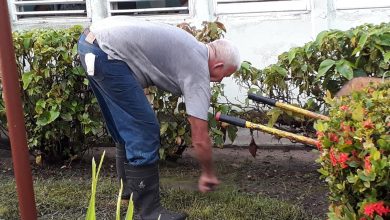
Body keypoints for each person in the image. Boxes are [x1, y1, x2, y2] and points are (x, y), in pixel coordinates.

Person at [77, 16, 240, 220]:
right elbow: (199, 135)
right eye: (225, 75)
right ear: (219, 66)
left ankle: (128, 194)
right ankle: (150, 213)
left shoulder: (191, 46)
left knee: (124, 124)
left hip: (90, 43)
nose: (220, 80)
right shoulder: (198, 67)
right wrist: (208, 172)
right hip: (106, 52)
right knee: (144, 130)